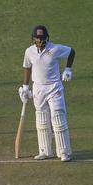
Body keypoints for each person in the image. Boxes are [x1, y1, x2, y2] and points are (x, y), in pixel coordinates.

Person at [19, 24, 75, 160]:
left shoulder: (55, 49)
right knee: (42, 119)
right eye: (36, 38)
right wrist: (25, 87)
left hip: (54, 87)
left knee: (58, 118)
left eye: (40, 38)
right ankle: (45, 151)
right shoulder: (29, 51)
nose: (38, 41)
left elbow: (71, 52)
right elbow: (27, 67)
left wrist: (68, 69)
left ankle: (64, 152)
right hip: (38, 88)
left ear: (45, 38)